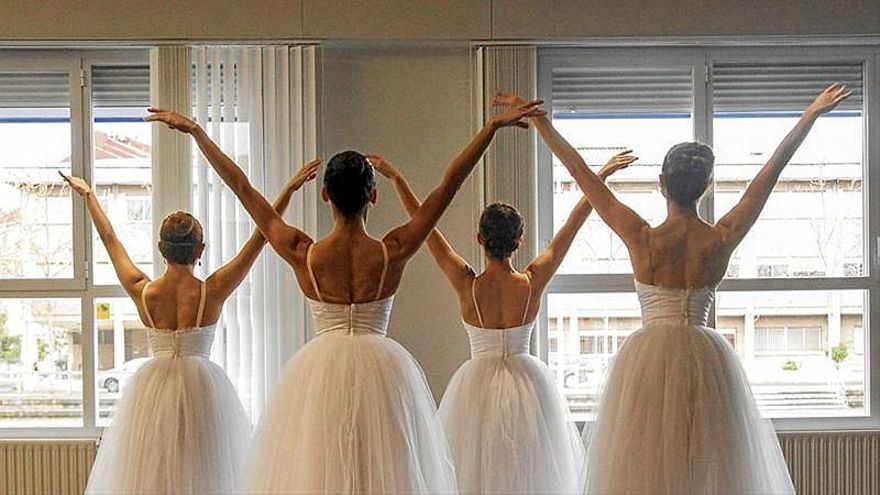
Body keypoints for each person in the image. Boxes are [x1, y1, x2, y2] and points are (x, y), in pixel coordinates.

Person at [145, 98, 545, 494]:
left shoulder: (305, 253)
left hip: (321, 371)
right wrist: (489, 130)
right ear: (373, 196)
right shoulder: (393, 250)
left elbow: (243, 188)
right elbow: (449, 185)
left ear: (325, 196)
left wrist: (198, 132)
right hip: (383, 370)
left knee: (323, 472)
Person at [497, 84, 850, 494]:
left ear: (661, 182)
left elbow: (582, 176)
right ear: (708, 185)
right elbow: (767, 176)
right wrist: (808, 116)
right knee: (709, 467)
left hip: (649, 361)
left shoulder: (643, 238)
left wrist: (543, 124)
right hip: (706, 361)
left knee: (647, 468)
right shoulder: (720, 239)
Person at [371, 148, 634, 494]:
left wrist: (396, 178)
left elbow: (426, 227)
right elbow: (570, 228)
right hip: (529, 389)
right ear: (519, 240)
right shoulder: (531, 282)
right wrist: (598, 178)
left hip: (476, 388)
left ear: (480, 239)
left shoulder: (467, 284)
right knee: (528, 474)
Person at [64, 159, 317, 495]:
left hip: (152, 391)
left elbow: (110, 239)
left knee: (152, 474)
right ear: (201, 250)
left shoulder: (143, 290)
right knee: (205, 472)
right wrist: (288, 190)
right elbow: (262, 235)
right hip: (202, 390)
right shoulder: (210, 291)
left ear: (160, 249)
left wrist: (89, 197)